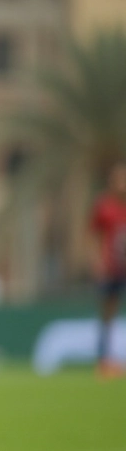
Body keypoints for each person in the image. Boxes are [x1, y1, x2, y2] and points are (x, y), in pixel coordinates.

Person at [91, 161, 126, 379]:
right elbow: (93, 236)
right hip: (111, 268)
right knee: (108, 313)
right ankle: (104, 360)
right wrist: (96, 261)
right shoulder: (104, 207)